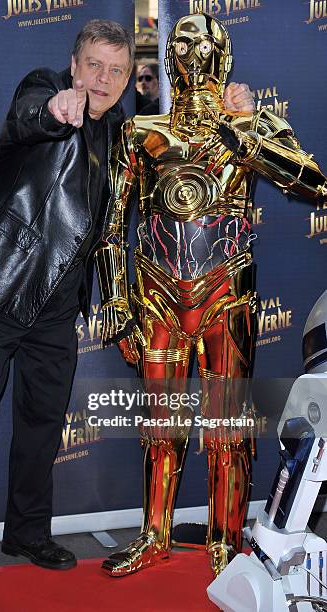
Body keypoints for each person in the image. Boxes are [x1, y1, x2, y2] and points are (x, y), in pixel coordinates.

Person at [0, 18, 254, 592]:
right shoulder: (43, 89)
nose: (104, 78)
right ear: (73, 65)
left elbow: (176, 131)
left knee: (42, 423)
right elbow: (32, 112)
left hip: (56, 306)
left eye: (116, 70)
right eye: (94, 66)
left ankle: (26, 530)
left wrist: (231, 104)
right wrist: (55, 106)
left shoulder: (119, 128)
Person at [95, 12, 327, 579]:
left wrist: (243, 131)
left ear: (223, 58)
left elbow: (314, 181)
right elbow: (109, 229)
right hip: (156, 299)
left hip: (227, 297)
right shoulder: (142, 133)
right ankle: (154, 535)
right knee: (160, 425)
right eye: (182, 44)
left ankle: (226, 541)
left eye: (205, 46)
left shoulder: (248, 125)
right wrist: (117, 302)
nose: (192, 55)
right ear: (169, 57)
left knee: (229, 429)